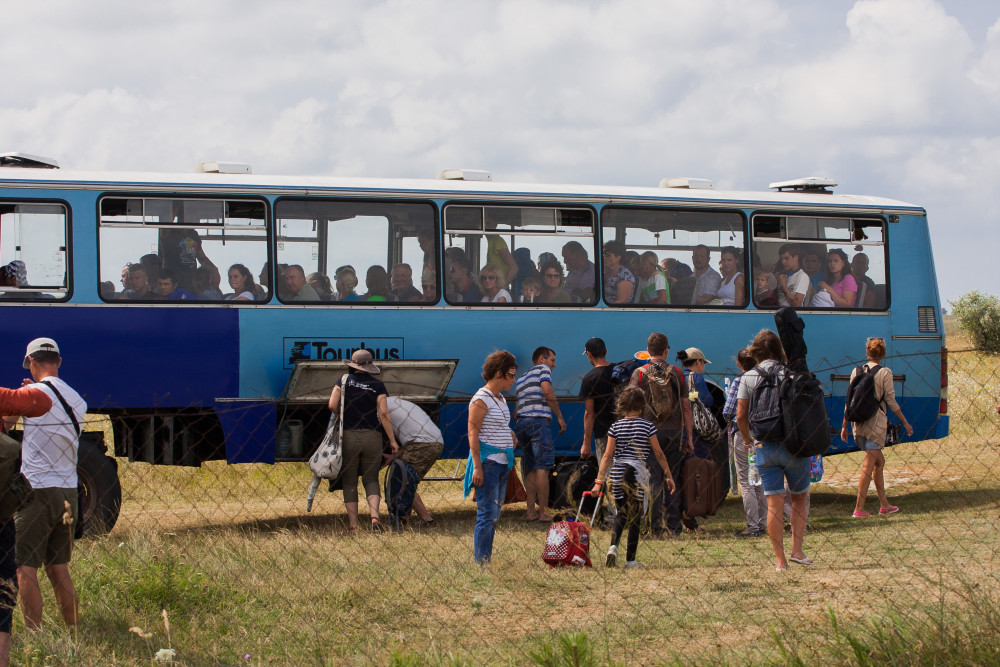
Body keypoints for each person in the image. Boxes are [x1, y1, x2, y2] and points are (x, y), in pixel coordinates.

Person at [0, 338, 86, 630]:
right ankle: (72, 629)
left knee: (24, 567)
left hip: (38, 489)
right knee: (58, 567)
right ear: (59, 362)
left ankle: (35, 634)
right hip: (69, 490)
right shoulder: (77, 399)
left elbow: (8, 422)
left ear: (32, 363)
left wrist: (24, 394)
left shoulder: (32, 392)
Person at [736, 329, 811, 571]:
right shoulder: (790, 373)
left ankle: (780, 561)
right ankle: (797, 551)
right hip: (793, 446)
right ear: (779, 349)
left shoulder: (748, 377)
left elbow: (740, 417)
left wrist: (749, 440)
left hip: (764, 446)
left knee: (774, 503)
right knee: (799, 499)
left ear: (756, 350)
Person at [590, 387, 675, 569]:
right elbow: (658, 453)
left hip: (618, 474)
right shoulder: (647, 426)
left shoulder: (615, 426)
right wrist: (668, 474)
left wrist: (599, 481)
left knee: (621, 512)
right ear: (643, 405)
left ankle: (613, 547)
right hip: (636, 473)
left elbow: (607, 455)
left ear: (621, 405)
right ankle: (630, 560)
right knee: (635, 516)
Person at [629, 333, 694, 536]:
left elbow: (631, 406)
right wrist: (689, 437)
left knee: (654, 479)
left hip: (649, 433)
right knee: (672, 476)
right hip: (674, 431)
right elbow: (686, 408)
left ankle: (655, 526)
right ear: (666, 350)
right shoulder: (676, 373)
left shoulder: (639, 373)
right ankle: (673, 526)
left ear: (647, 351)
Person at [327, 349, 399, 532]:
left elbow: (332, 405)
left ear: (353, 364)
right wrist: (392, 440)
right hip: (372, 437)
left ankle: (354, 525)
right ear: (369, 366)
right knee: (371, 479)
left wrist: (342, 415)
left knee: (350, 480)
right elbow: (383, 413)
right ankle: (375, 518)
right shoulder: (378, 385)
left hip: (349, 435)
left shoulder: (343, 381)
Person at [843, 337, 913, 518]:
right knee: (868, 466)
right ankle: (859, 508)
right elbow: (891, 401)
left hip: (858, 425)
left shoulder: (856, 370)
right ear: (883, 354)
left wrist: (844, 426)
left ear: (867, 352)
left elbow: (849, 401)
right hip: (875, 425)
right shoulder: (885, 373)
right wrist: (905, 422)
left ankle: (884, 504)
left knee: (879, 462)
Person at [465, 350, 518, 564]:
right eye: (511, 375)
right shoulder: (481, 399)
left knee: (494, 514)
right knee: (487, 514)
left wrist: (511, 436)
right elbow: (473, 432)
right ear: (498, 373)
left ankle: (485, 558)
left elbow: (500, 425)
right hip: (488, 464)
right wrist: (477, 466)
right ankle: (482, 561)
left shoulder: (500, 398)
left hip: (503, 462)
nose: (513, 380)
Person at [514, 347, 566, 522]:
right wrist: (559, 416)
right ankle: (543, 512)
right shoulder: (543, 370)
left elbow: (516, 408)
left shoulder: (521, 379)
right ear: (541, 359)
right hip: (538, 422)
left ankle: (530, 512)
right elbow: (547, 390)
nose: (554, 365)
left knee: (530, 468)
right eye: (552, 360)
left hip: (522, 423)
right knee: (543, 467)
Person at [723, 348, 766, 537]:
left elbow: (729, 411)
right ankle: (764, 522)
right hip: (764, 433)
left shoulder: (740, 381)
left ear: (739, 364)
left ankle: (753, 525)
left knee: (747, 480)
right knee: (761, 479)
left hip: (745, 433)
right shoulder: (765, 379)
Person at [385, 397, 444, 526]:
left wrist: (391, 442)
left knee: (403, 481)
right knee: (408, 481)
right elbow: (409, 439)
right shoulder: (395, 402)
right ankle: (411, 517)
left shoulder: (380, 407)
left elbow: (384, 426)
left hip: (422, 444)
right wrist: (394, 456)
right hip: (434, 441)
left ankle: (420, 519)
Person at [578, 337, 617, 524]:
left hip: (604, 433)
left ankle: (612, 515)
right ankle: (632, 513)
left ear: (589, 355)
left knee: (607, 473)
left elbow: (589, 413)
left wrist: (586, 442)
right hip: (625, 430)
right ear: (606, 351)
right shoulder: (618, 372)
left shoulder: (589, 378)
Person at [676, 347, 714, 461]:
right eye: (703, 363)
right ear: (698, 362)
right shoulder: (696, 376)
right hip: (695, 427)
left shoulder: (678, 376)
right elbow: (707, 400)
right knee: (704, 462)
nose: (703, 367)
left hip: (678, 426)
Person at [773, 243, 810, 308]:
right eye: (781, 259)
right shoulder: (784, 275)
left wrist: (783, 286)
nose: (783, 262)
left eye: (786, 258)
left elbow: (796, 304)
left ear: (796, 258)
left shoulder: (802, 276)